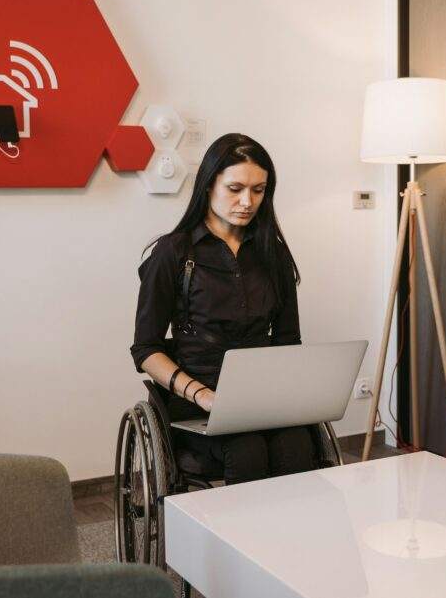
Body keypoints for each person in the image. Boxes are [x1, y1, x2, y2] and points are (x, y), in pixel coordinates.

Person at [130, 133, 316, 484]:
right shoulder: (173, 253)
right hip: (197, 398)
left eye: (258, 190)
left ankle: (289, 536)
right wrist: (202, 395)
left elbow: (288, 340)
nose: (247, 201)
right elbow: (146, 349)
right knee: (246, 451)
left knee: (297, 444)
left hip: (263, 396)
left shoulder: (273, 254)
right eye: (235, 188)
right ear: (209, 185)